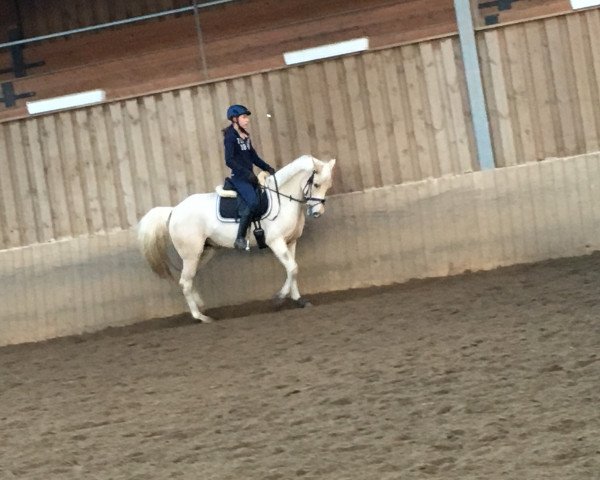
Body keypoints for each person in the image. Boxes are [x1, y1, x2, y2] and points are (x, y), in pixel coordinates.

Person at [223, 104, 275, 250]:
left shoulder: (245, 136)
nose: (247, 120)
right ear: (234, 119)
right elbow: (229, 160)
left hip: (250, 177)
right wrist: (247, 173)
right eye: (244, 117)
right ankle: (239, 238)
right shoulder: (230, 137)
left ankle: (260, 235)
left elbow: (253, 157)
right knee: (252, 203)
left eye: (247, 117)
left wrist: (268, 168)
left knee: (261, 200)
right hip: (239, 178)